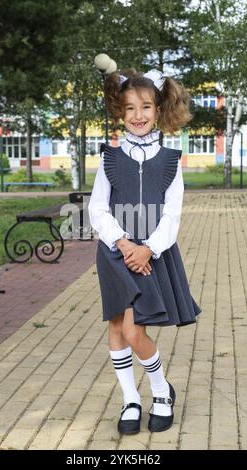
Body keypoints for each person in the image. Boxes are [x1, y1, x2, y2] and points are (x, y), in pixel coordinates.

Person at [88, 68, 202, 435]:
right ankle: (130, 400)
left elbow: (172, 214)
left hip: (152, 253)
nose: (138, 115)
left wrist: (147, 249)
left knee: (136, 331)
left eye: (146, 107)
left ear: (159, 109)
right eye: (130, 108)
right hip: (114, 251)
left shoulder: (170, 159)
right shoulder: (110, 156)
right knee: (118, 327)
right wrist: (122, 243)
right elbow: (97, 209)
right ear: (120, 112)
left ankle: (160, 391)